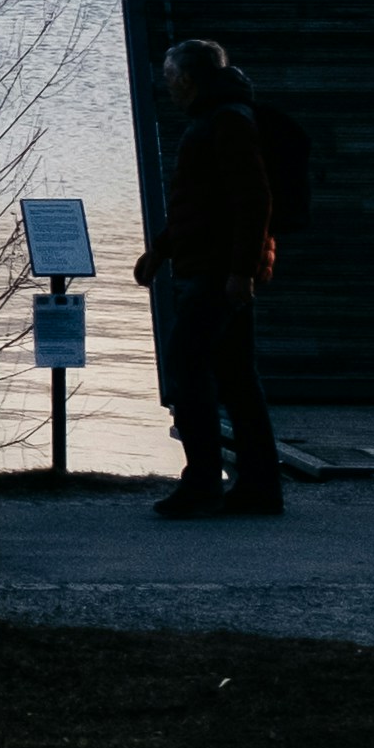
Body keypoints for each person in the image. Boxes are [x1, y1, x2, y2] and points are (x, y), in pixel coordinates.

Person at [136, 38, 283, 517]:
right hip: (213, 267)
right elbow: (198, 203)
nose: (168, 88)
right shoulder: (218, 117)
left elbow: (252, 199)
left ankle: (202, 483)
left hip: (218, 273)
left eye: (171, 78)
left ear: (188, 78)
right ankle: (259, 487)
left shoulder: (226, 122)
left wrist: (241, 273)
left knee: (186, 367)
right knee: (238, 376)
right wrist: (161, 250)